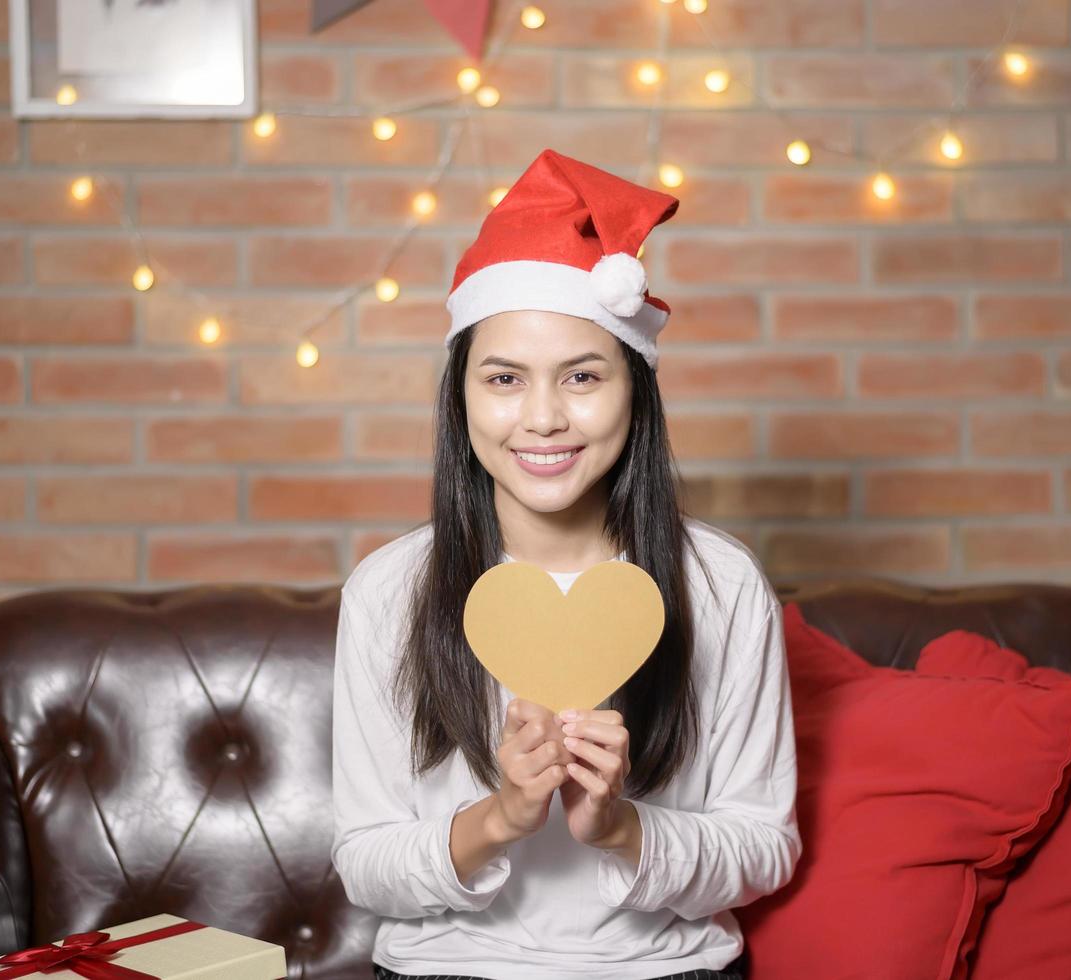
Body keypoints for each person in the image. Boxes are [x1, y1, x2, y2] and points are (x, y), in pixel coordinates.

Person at [330, 148, 800, 980]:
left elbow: (762, 847)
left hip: (666, 969)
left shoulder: (721, 585)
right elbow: (366, 863)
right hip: (446, 967)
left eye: (582, 376)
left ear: (635, 389)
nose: (542, 418)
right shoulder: (388, 591)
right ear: (462, 396)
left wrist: (620, 828)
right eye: (504, 378)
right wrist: (502, 816)